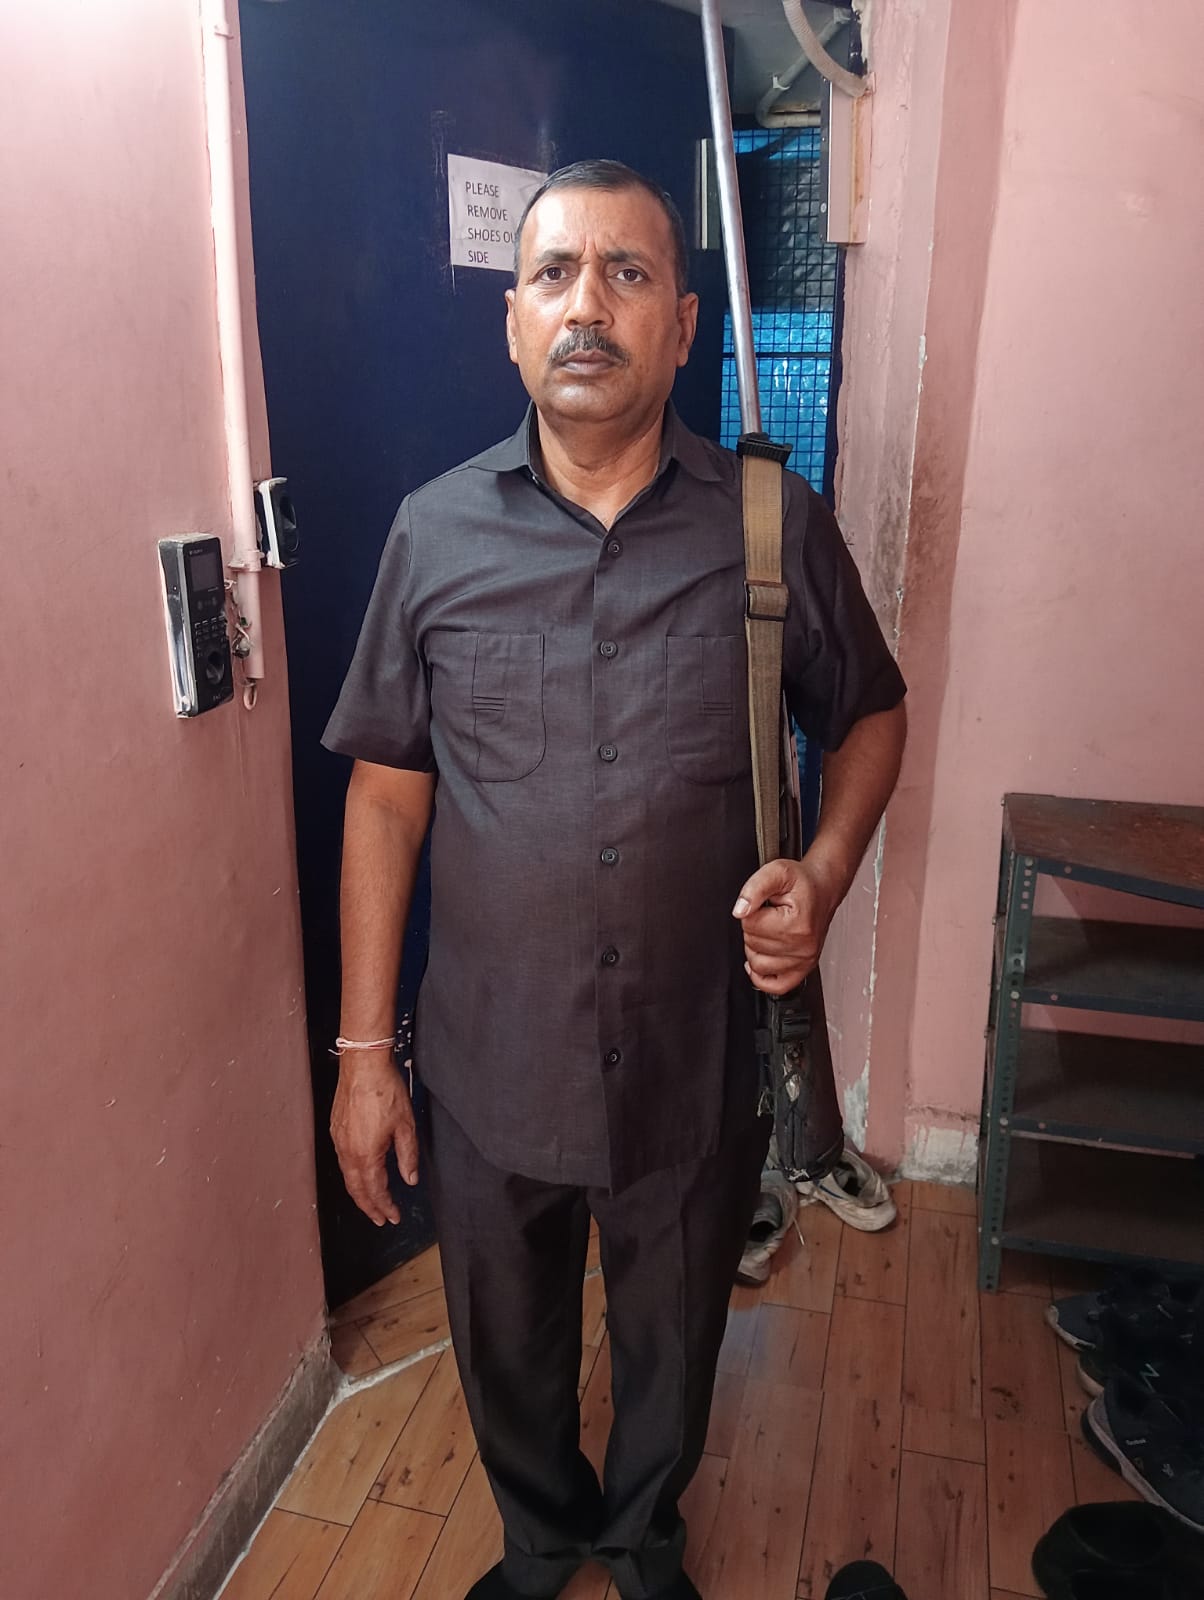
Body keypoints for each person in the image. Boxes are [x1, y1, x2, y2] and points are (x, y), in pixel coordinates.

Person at [322, 159, 907, 1600]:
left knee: (674, 1338)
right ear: (513, 324)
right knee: (503, 1339)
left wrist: (825, 873)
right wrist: (362, 1058)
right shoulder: (433, 535)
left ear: (684, 323)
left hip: (692, 1055)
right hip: (492, 1060)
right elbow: (386, 796)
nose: (587, 306)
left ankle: (644, 1538)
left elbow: (871, 715)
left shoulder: (771, 528)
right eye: (554, 275)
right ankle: (539, 1540)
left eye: (628, 274)